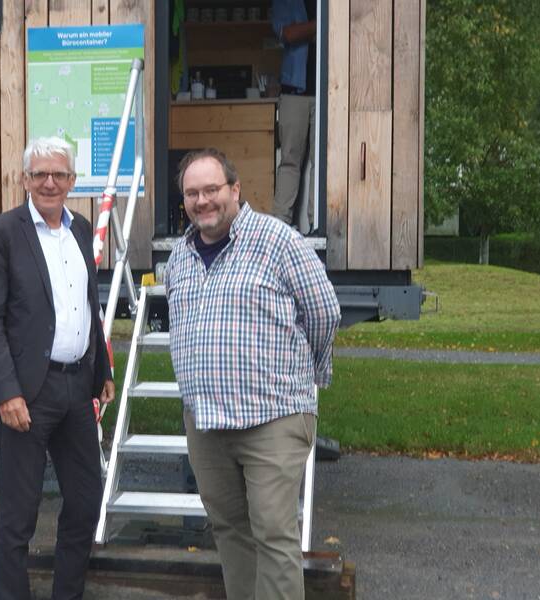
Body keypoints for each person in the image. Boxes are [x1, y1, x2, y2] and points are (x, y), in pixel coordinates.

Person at [164, 148, 340, 600]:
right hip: (206, 423)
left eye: (211, 190)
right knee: (229, 531)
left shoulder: (278, 241)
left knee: (274, 536)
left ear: (235, 190)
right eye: (192, 193)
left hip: (272, 419)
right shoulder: (180, 258)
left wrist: (307, 377)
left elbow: (324, 313)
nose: (202, 201)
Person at [0, 136, 114, 600]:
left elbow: (87, 304)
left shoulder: (81, 229)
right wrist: (6, 392)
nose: (50, 182)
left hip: (75, 389)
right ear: (24, 179)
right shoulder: (1, 233)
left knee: (86, 503)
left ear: (72, 181)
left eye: (60, 174)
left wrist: (102, 368)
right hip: (27, 393)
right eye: (40, 174)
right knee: (18, 515)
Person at [272, 0, 318, 231]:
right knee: (289, 160)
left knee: (322, 162)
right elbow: (287, 34)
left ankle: (318, 225)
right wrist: (319, 26)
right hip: (294, 91)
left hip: (329, 93)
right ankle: (280, 225)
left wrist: (306, 30)